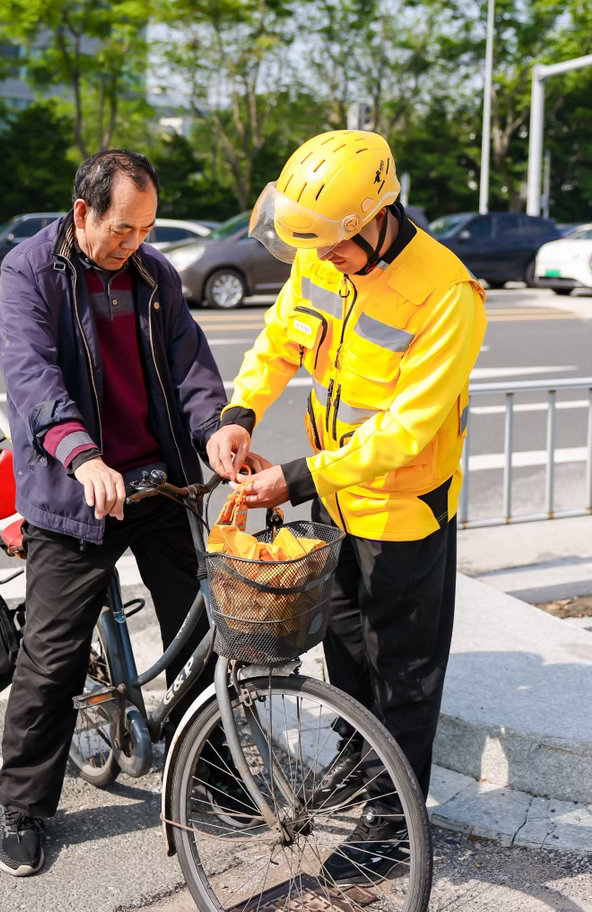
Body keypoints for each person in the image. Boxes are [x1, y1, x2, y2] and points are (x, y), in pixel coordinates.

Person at [206, 129, 487, 885]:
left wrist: (292, 479)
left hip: (403, 512)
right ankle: (363, 767)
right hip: (334, 498)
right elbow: (281, 342)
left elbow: (406, 432)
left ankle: (396, 824)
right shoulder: (320, 247)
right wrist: (239, 412)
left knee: (405, 672)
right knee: (346, 648)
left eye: (335, 247)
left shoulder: (447, 293)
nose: (322, 260)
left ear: (377, 216)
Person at [0, 148, 230, 877]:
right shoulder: (30, 272)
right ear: (82, 213)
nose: (137, 242)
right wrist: (82, 455)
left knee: (205, 627)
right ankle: (23, 807)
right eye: (124, 228)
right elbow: (31, 375)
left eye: (147, 228)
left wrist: (217, 427)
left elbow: (191, 364)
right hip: (76, 491)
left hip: (158, 483)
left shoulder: (154, 275)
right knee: (53, 657)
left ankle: (209, 771)